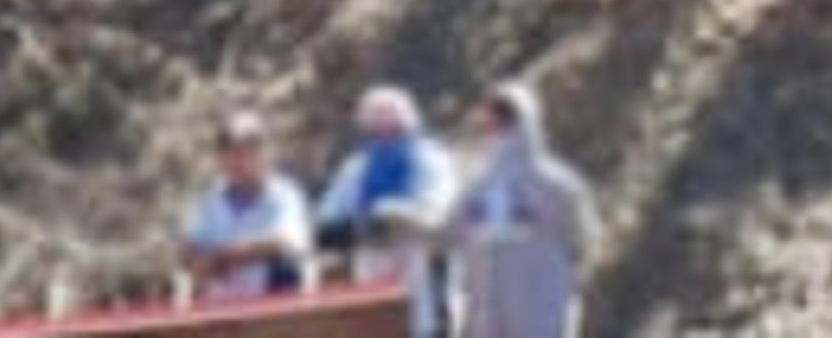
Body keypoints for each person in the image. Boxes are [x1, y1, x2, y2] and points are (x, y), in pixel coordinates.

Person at [440, 79, 597, 338]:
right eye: (493, 120)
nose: (497, 129)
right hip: (491, 316)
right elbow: (447, 236)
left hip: (536, 312)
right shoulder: (478, 187)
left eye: (504, 118)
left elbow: (582, 240)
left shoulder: (557, 186)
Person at [312, 82, 457, 333]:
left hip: (424, 290)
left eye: (394, 129)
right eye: (377, 130)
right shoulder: (356, 169)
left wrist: (396, 217)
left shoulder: (432, 162)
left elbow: (442, 216)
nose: (386, 137)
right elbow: (325, 226)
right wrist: (362, 228)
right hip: (372, 295)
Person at [179, 107, 312, 302]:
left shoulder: (284, 195)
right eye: (230, 153)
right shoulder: (208, 201)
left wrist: (228, 257)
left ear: (262, 153)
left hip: (271, 302)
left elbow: (287, 242)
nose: (237, 161)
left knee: (286, 265)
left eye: (245, 152)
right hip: (221, 302)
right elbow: (190, 249)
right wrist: (204, 261)